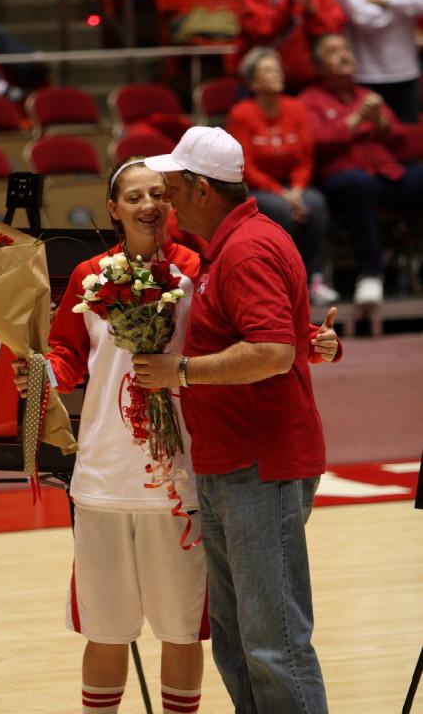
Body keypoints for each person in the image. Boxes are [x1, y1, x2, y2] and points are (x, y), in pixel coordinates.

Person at [13, 152, 340, 713]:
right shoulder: (91, 277)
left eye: (159, 194)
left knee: (183, 629)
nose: (150, 205)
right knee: (107, 626)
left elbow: (253, 325)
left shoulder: (201, 265)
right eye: (134, 196)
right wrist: (41, 373)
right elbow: (68, 353)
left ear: (173, 202)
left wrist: (314, 341)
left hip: (184, 479)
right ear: (113, 209)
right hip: (104, 475)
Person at [133, 125, 331, 713]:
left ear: (200, 188)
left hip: (259, 465)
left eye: (170, 189)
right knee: (240, 642)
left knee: (273, 644)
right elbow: (289, 337)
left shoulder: (246, 249)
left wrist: (182, 373)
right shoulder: (235, 245)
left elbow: (273, 353)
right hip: (230, 464)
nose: (164, 202)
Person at [299, 32, 423, 304]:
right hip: (340, 180)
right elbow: (314, 143)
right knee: (358, 184)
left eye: (346, 49)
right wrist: (354, 121)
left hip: (386, 173)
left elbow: (401, 141)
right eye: (333, 51)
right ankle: (371, 274)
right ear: (319, 66)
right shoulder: (309, 100)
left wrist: (380, 121)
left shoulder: (367, 95)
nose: (344, 55)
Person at [226, 46, 339, 307]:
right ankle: (284, 281)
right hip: (257, 187)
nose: (276, 74)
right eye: (267, 70)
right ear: (253, 82)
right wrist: (282, 193)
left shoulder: (296, 108)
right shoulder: (241, 113)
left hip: (292, 187)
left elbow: (304, 159)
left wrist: (297, 190)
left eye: (277, 69)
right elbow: (245, 166)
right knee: (280, 210)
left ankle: (316, 278)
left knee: (316, 203)